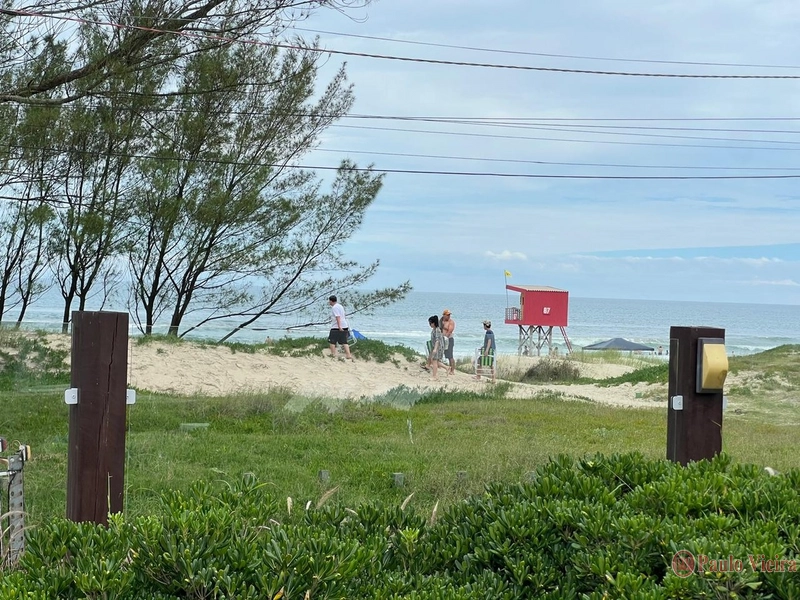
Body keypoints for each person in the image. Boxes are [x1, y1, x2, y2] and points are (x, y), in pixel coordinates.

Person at [327, 295, 353, 361]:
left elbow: (337, 317)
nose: (329, 302)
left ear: (331, 301)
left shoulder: (334, 307)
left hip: (336, 326)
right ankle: (348, 355)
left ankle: (333, 354)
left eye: (329, 301)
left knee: (332, 341)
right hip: (345, 325)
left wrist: (339, 326)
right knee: (344, 341)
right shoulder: (340, 306)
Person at [425, 315, 445, 379]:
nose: (430, 324)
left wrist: (435, 349)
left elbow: (437, 340)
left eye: (430, 323)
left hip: (437, 348)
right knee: (434, 361)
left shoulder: (437, 330)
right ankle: (446, 368)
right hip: (435, 347)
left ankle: (434, 376)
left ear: (433, 323)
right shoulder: (434, 330)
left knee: (434, 361)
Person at [441, 309, 456, 375]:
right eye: (447, 315)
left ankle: (452, 370)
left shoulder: (451, 322)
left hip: (448, 339)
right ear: (444, 315)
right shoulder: (441, 321)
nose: (449, 316)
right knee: (440, 353)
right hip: (441, 339)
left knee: (450, 355)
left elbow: (450, 331)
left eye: (449, 315)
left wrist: (445, 338)